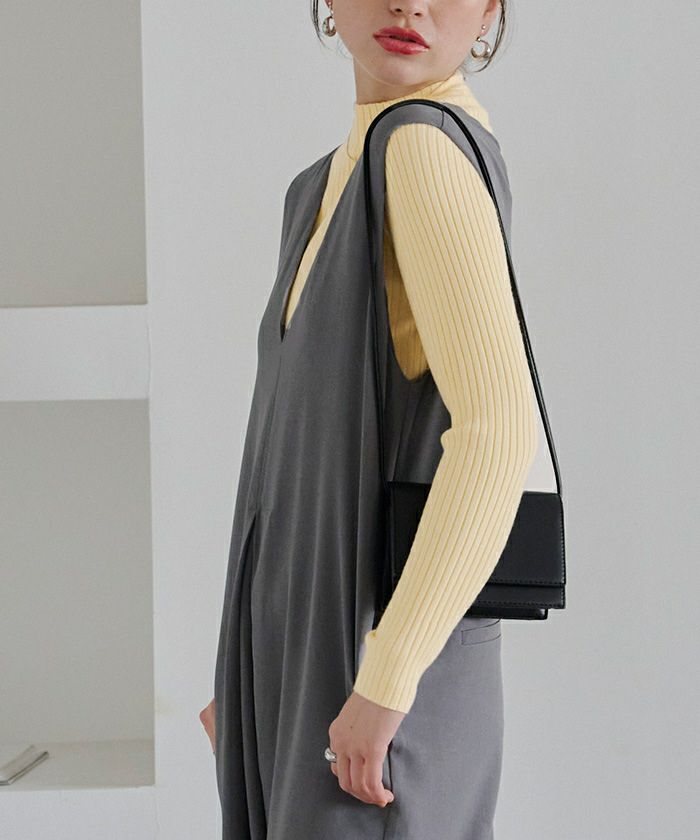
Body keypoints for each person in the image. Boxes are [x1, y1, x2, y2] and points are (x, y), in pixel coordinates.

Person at [202, 1, 537, 837]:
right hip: (313, 664)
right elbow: (292, 458)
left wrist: (386, 680)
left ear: (491, 10)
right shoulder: (320, 185)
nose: (409, 4)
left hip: (375, 675)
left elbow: (498, 434)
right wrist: (249, 670)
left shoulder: (420, 149)